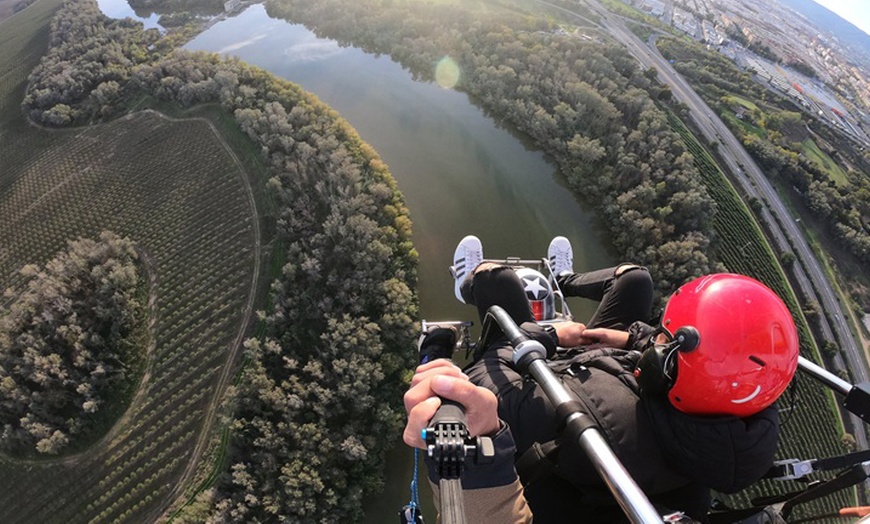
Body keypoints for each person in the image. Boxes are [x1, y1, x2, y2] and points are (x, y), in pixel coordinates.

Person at [403, 235, 799, 523]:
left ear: (667, 363)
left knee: (495, 279)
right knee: (635, 280)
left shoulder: (603, 422)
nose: (655, 333)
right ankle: (566, 278)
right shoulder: (730, 414)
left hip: (567, 382)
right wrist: (633, 339)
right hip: (618, 370)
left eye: (662, 335)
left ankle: (469, 283)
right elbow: (681, 357)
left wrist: (551, 335)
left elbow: (489, 384)